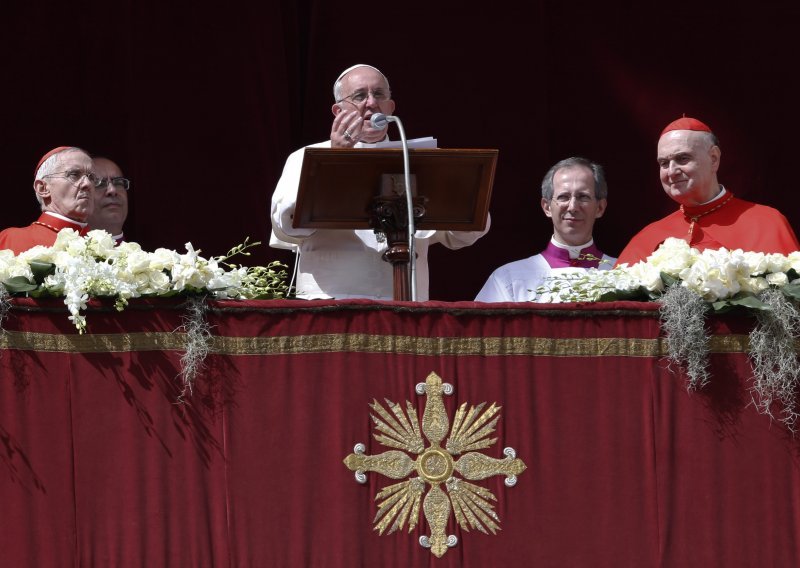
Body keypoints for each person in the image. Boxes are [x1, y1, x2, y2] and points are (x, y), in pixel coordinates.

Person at [270, 63, 489, 300]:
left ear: (390, 107)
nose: (371, 103)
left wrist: (463, 196)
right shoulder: (305, 157)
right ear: (338, 111)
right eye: (360, 95)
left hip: (405, 301)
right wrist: (335, 160)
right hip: (332, 304)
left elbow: (463, 235)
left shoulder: (417, 160)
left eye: (379, 94)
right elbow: (286, 225)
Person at [616, 116, 799, 265]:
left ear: (713, 158)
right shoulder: (647, 237)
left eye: (683, 158)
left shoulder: (767, 222)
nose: (671, 171)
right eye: (664, 163)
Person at [475, 157, 615, 302]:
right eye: (563, 197)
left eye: (583, 197)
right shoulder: (508, 278)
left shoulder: (626, 274)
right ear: (547, 207)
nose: (573, 207)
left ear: (600, 207)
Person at [0, 146, 97, 254]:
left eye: (92, 178)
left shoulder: (103, 248)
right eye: (74, 174)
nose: (87, 184)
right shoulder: (11, 240)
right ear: (43, 188)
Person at [87, 156, 130, 244]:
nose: (112, 190)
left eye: (118, 182)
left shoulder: (148, 257)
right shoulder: (60, 255)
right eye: (99, 184)